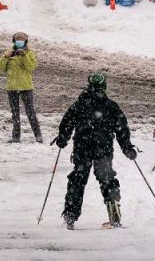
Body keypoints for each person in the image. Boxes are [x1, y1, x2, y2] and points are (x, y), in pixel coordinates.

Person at [53, 73, 137, 229]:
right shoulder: (111, 106)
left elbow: (67, 123)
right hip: (103, 149)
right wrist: (127, 147)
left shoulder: (79, 105)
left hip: (82, 148)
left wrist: (62, 138)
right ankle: (113, 207)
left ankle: (70, 215)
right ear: (104, 87)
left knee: (77, 180)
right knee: (107, 178)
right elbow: (121, 129)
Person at [0, 31, 42, 144]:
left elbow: (31, 67)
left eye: (22, 40)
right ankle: (16, 137)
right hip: (11, 87)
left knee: (30, 112)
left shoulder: (29, 53)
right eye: (17, 39)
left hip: (26, 87)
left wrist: (24, 56)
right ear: (14, 41)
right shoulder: (9, 53)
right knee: (15, 113)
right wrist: (6, 57)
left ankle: (38, 136)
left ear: (25, 41)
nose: (19, 41)